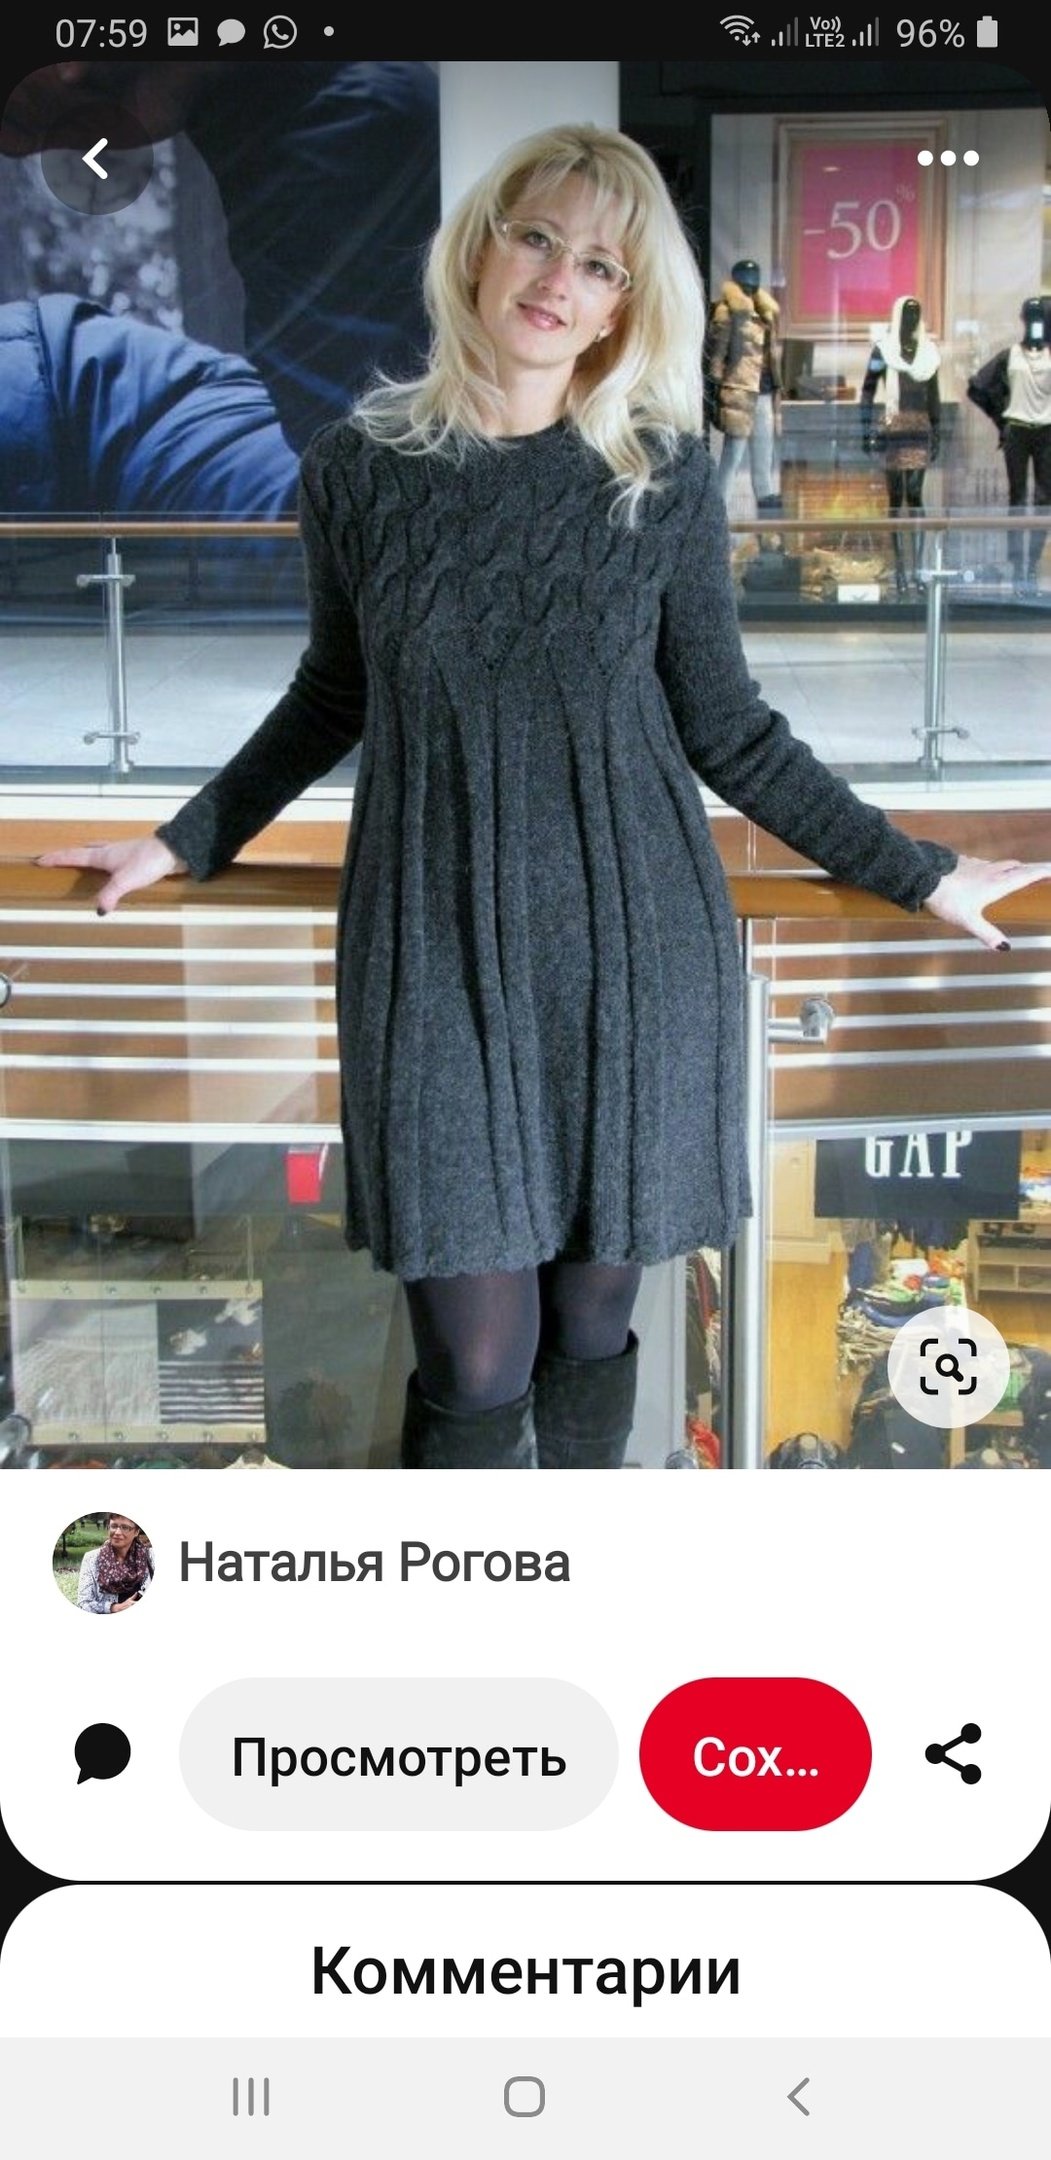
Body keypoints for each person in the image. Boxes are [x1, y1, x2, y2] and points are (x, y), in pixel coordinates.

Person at [37, 123, 1051, 1472]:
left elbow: (731, 732)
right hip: (430, 952)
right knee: (474, 1357)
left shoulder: (657, 480)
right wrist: (185, 838)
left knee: (587, 1321)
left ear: (626, 305)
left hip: (633, 953)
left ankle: (580, 1558)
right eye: (537, 237)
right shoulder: (359, 469)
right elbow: (332, 696)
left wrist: (918, 869)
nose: (559, 280)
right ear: (480, 245)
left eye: (600, 266)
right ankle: (469, 1583)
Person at [967, 296, 1051, 594]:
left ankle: (1031, 565)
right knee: (1017, 498)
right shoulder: (1010, 356)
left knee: (1044, 500)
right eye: (1032, 318)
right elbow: (977, 387)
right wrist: (1001, 418)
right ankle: (1017, 566)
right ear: (1024, 320)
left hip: (1047, 432)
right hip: (1017, 431)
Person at [860, 295, 941, 596]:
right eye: (907, 314)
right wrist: (865, 429)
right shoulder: (883, 349)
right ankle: (901, 572)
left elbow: (934, 396)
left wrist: (938, 433)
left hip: (919, 429)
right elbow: (867, 392)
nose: (911, 319)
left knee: (915, 495)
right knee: (896, 499)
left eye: (916, 314)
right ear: (898, 316)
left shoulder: (928, 353)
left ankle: (918, 570)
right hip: (893, 430)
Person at [703, 257, 782, 513]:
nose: (751, 281)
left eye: (755, 276)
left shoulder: (766, 311)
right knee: (733, 456)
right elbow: (717, 354)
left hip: (764, 390)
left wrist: (778, 385)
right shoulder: (728, 311)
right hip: (739, 391)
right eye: (747, 276)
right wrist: (716, 387)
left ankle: (767, 514)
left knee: (764, 456)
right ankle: (718, 512)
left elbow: (771, 354)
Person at [76, 1513, 154, 1612]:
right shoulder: (91, 1559)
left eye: (125, 1527)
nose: (117, 1532)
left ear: (136, 1532)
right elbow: (83, 1603)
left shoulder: (150, 1557)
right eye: (114, 1526)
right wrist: (114, 1608)